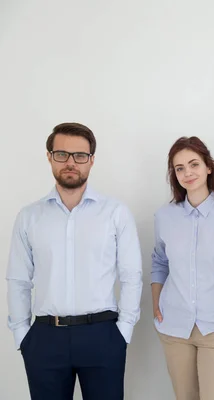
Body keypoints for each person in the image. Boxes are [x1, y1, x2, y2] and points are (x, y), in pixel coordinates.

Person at [6, 122, 143, 400]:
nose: (71, 162)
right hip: (45, 338)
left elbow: (131, 275)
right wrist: (23, 334)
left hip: (103, 335)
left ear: (91, 160)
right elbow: (18, 279)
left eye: (80, 155)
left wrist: (123, 332)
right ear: (49, 156)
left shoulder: (115, 213)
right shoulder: (29, 216)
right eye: (62, 154)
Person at [151, 136, 214, 400]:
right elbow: (160, 261)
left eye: (193, 164)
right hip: (174, 325)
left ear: (208, 167)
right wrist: (156, 302)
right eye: (179, 168)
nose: (187, 173)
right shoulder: (165, 216)